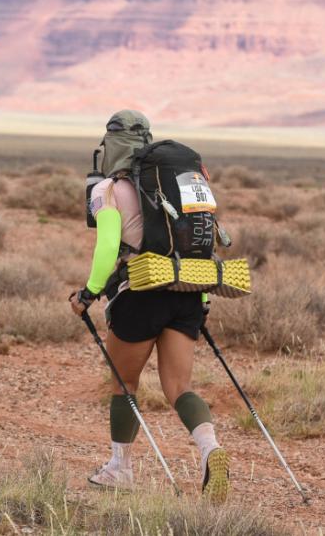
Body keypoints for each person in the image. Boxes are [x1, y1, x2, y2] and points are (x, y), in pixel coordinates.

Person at [69, 110, 230, 504]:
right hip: (187, 290)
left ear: (111, 148)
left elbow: (108, 247)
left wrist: (88, 293)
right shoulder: (177, 182)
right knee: (179, 387)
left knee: (124, 383)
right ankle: (211, 450)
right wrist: (203, 298)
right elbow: (202, 245)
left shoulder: (108, 189)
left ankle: (120, 468)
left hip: (139, 292)